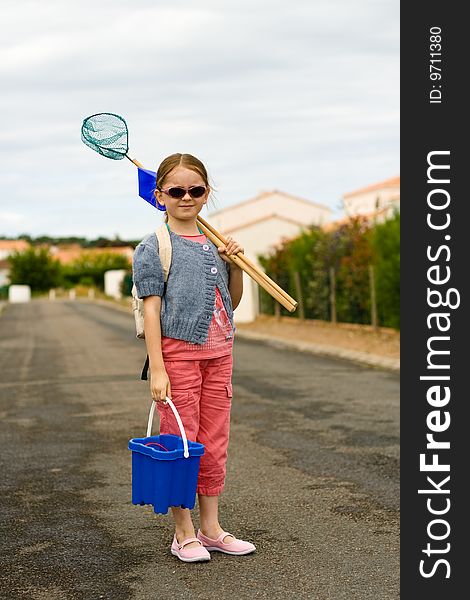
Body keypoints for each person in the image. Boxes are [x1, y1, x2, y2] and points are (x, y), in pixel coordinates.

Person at [132, 153, 256, 563]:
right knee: (182, 445)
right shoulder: (154, 246)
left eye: (196, 190)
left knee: (215, 442)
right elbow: (152, 309)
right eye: (176, 190)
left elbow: (231, 304)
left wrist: (233, 265)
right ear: (160, 195)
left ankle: (212, 529)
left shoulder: (216, 244)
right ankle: (183, 533)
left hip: (221, 354)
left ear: (206, 194)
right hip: (178, 358)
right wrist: (159, 369)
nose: (186, 197)